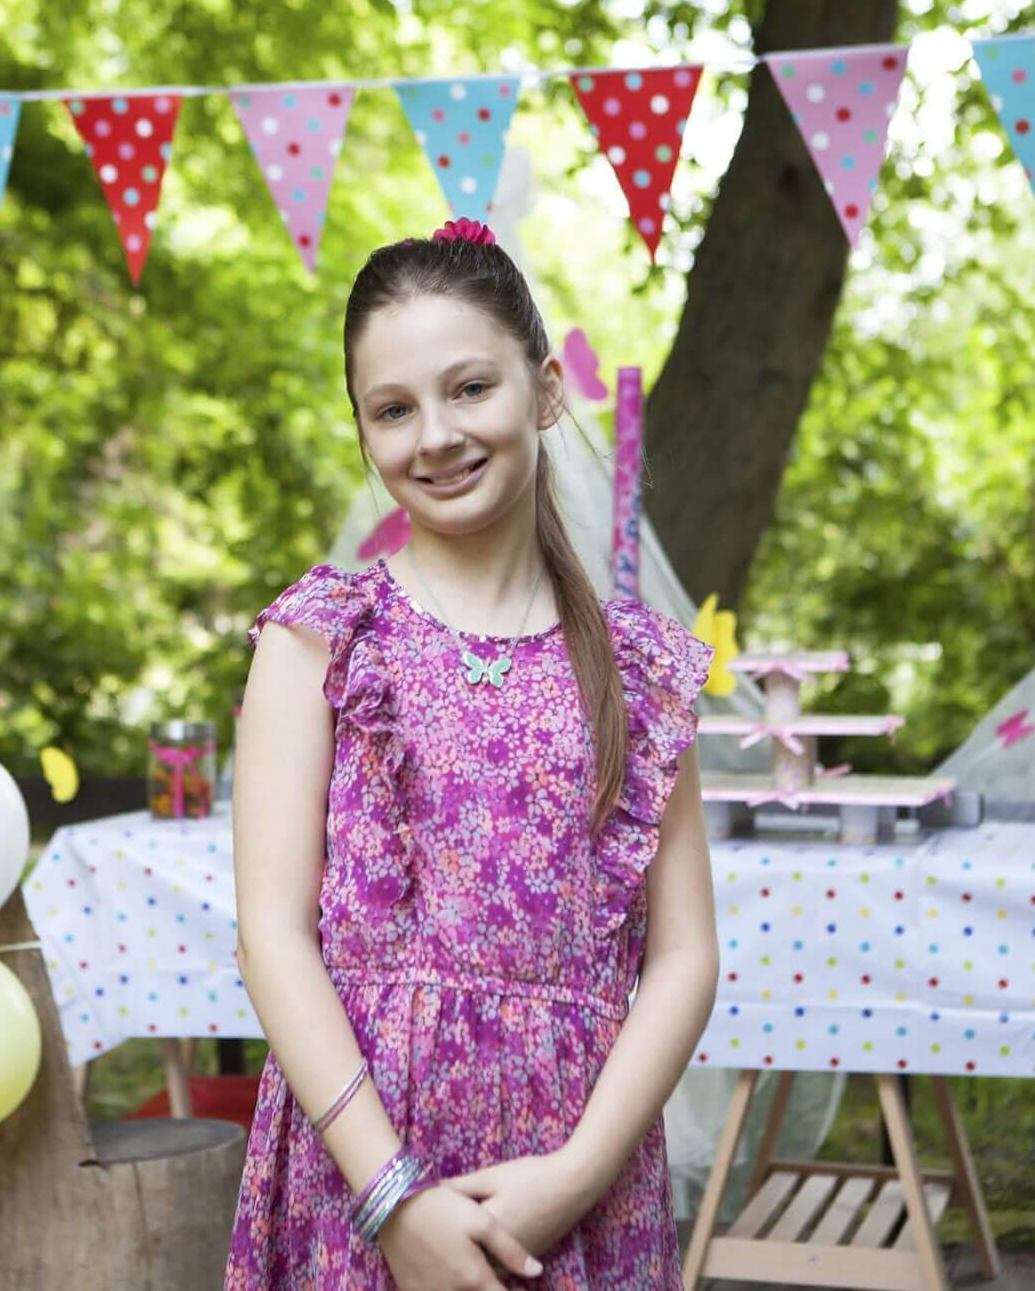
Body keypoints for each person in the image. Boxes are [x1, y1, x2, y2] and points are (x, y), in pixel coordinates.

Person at [225, 216, 719, 1289]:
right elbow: (271, 933)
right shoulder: (318, 639)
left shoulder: (635, 669)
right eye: (392, 410)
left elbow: (683, 956)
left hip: (568, 1174)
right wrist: (389, 1195)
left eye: (468, 389)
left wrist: (573, 1175)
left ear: (543, 389)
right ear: (361, 431)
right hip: (357, 1167)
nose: (434, 435)